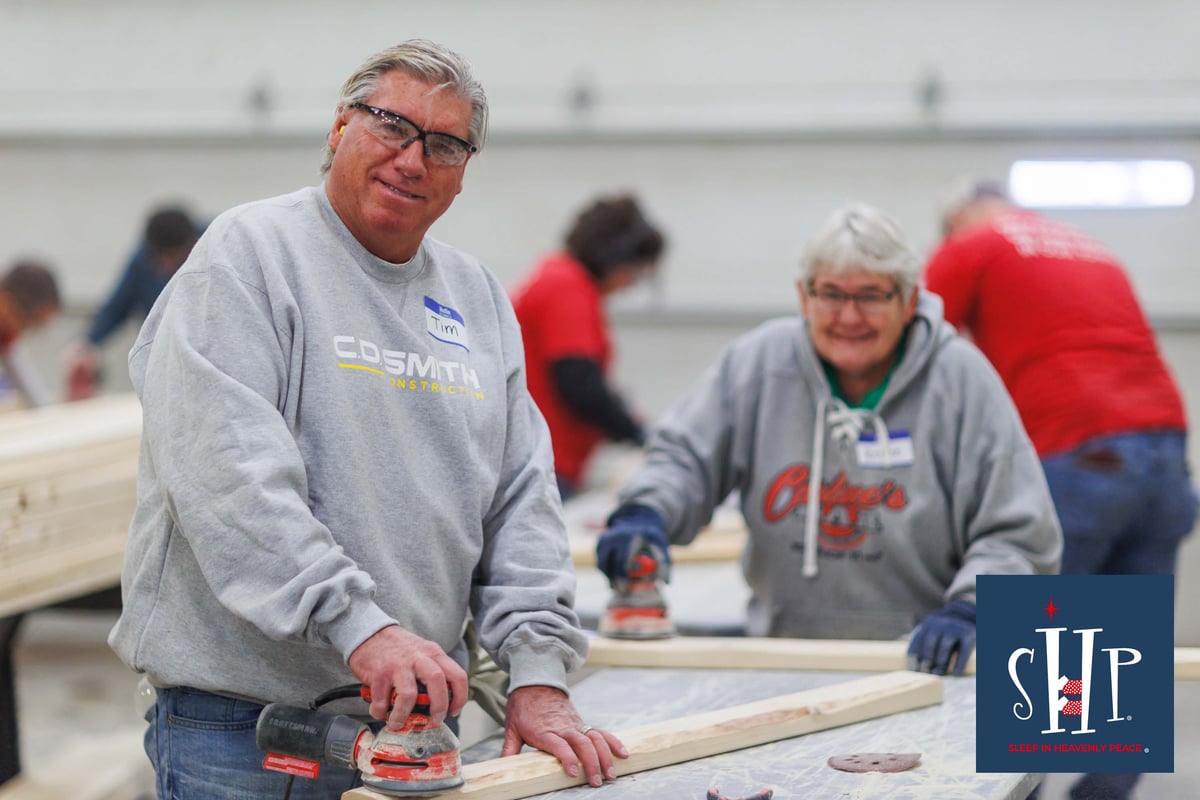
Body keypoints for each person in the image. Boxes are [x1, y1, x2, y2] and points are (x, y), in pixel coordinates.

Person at [108, 39, 625, 799]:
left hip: (412, 731)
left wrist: (537, 671)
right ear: (338, 129)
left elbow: (522, 501)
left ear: (463, 172)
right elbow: (228, 476)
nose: (413, 160)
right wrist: (361, 626)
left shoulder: (476, 298)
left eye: (444, 144)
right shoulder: (249, 257)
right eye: (390, 125)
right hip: (246, 734)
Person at [596, 203, 1062, 675]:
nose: (849, 316)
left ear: (908, 300)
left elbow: (1019, 531)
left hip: (926, 663)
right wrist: (645, 512)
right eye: (831, 293)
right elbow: (685, 458)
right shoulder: (759, 365)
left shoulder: (961, 381)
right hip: (781, 660)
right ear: (803, 296)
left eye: (872, 296)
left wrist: (975, 607)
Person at [924, 178, 1197, 800]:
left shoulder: (974, 243)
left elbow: (908, 341)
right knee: (1125, 664)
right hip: (1166, 455)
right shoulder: (1089, 247)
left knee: (1037, 666)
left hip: (1080, 457)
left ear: (957, 218)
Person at [510, 194, 665, 499]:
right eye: (634, 273)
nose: (629, 285)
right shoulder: (567, 286)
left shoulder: (558, 278)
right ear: (617, 258)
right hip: (544, 461)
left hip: (540, 458)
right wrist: (636, 433)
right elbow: (579, 382)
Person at [63, 204, 201, 400]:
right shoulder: (143, 259)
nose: (164, 265)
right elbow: (117, 307)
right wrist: (86, 345)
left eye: (173, 258)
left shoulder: (215, 248)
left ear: (192, 246)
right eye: (159, 258)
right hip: (164, 362)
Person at [0, 259, 61, 408]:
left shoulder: (6, 335)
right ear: (5, 302)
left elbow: (31, 389)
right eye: (26, 324)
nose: (20, 334)